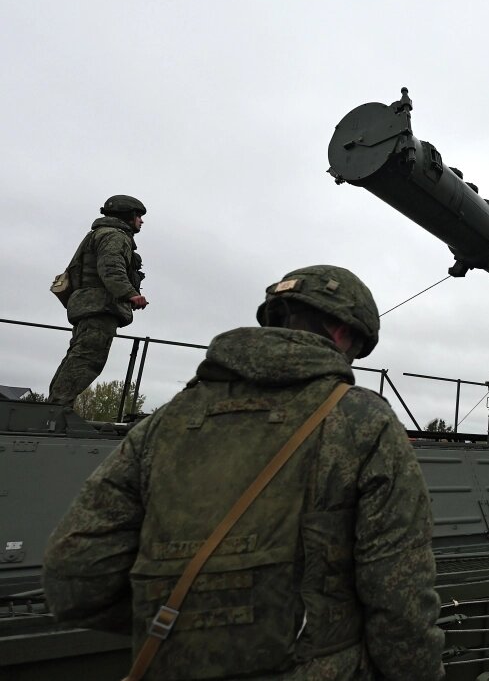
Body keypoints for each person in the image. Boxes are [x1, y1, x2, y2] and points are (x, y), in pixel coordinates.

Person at [43, 265, 445, 681]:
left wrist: (192, 622)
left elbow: (73, 579)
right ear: (343, 332)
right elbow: (400, 598)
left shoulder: (165, 421)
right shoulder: (363, 420)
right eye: (357, 348)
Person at [48, 194, 149, 408]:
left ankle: (54, 408)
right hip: (100, 307)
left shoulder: (99, 234)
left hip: (89, 306)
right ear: (128, 215)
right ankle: (57, 410)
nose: (141, 221)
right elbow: (111, 267)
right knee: (87, 359)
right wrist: (130, 293)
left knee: (77, 356)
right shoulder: (114, 236)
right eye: (138, 216)